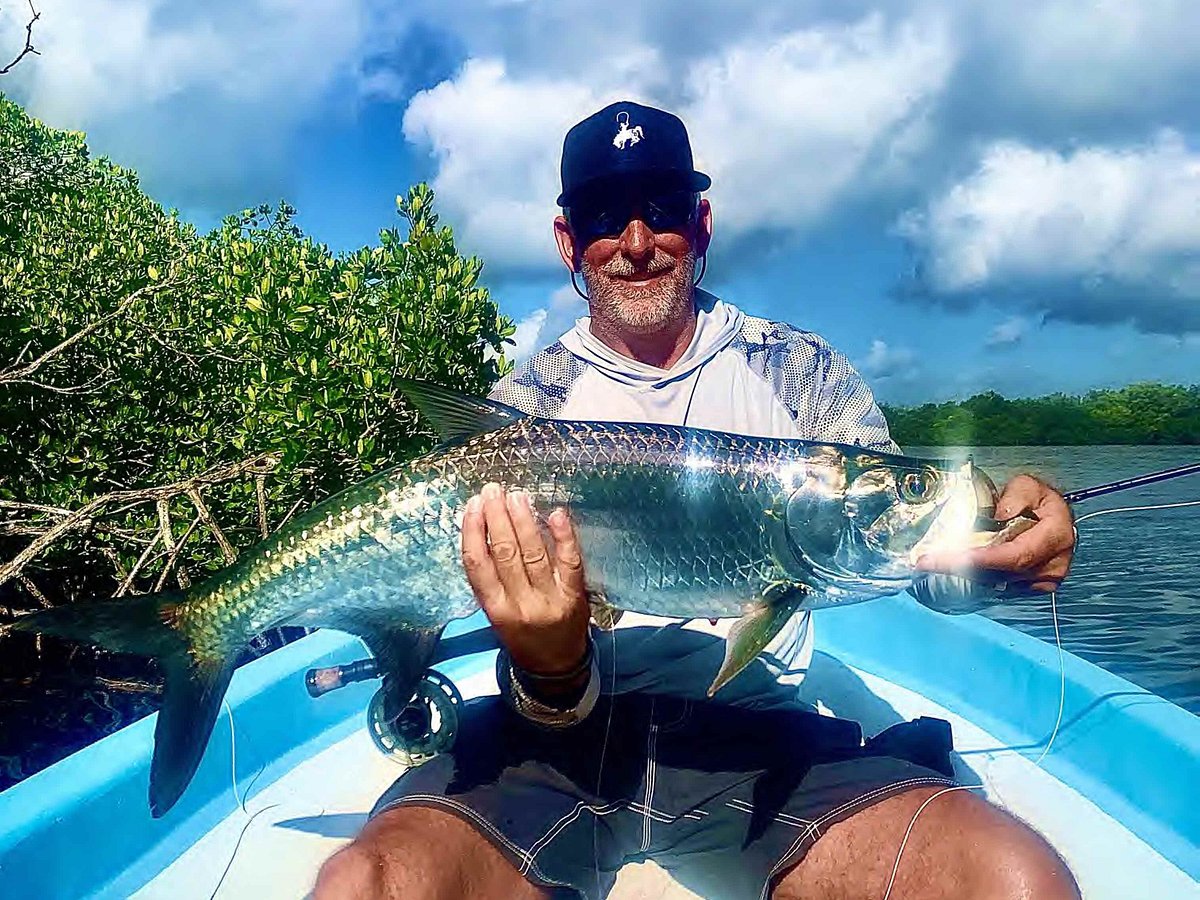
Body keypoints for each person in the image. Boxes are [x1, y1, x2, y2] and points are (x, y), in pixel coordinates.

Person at [316, 101, 1078, 899]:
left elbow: (914, 557)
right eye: (605, 216)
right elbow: (541, 686)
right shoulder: (527, 404)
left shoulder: (800, 373)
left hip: (760, 741)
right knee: (360, 887)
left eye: (665, 210)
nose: (637, 243)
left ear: (702, 223)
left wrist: (1003, 543)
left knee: (1013, 882)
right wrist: (553, 667)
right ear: (568, 240)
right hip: (553, 738)